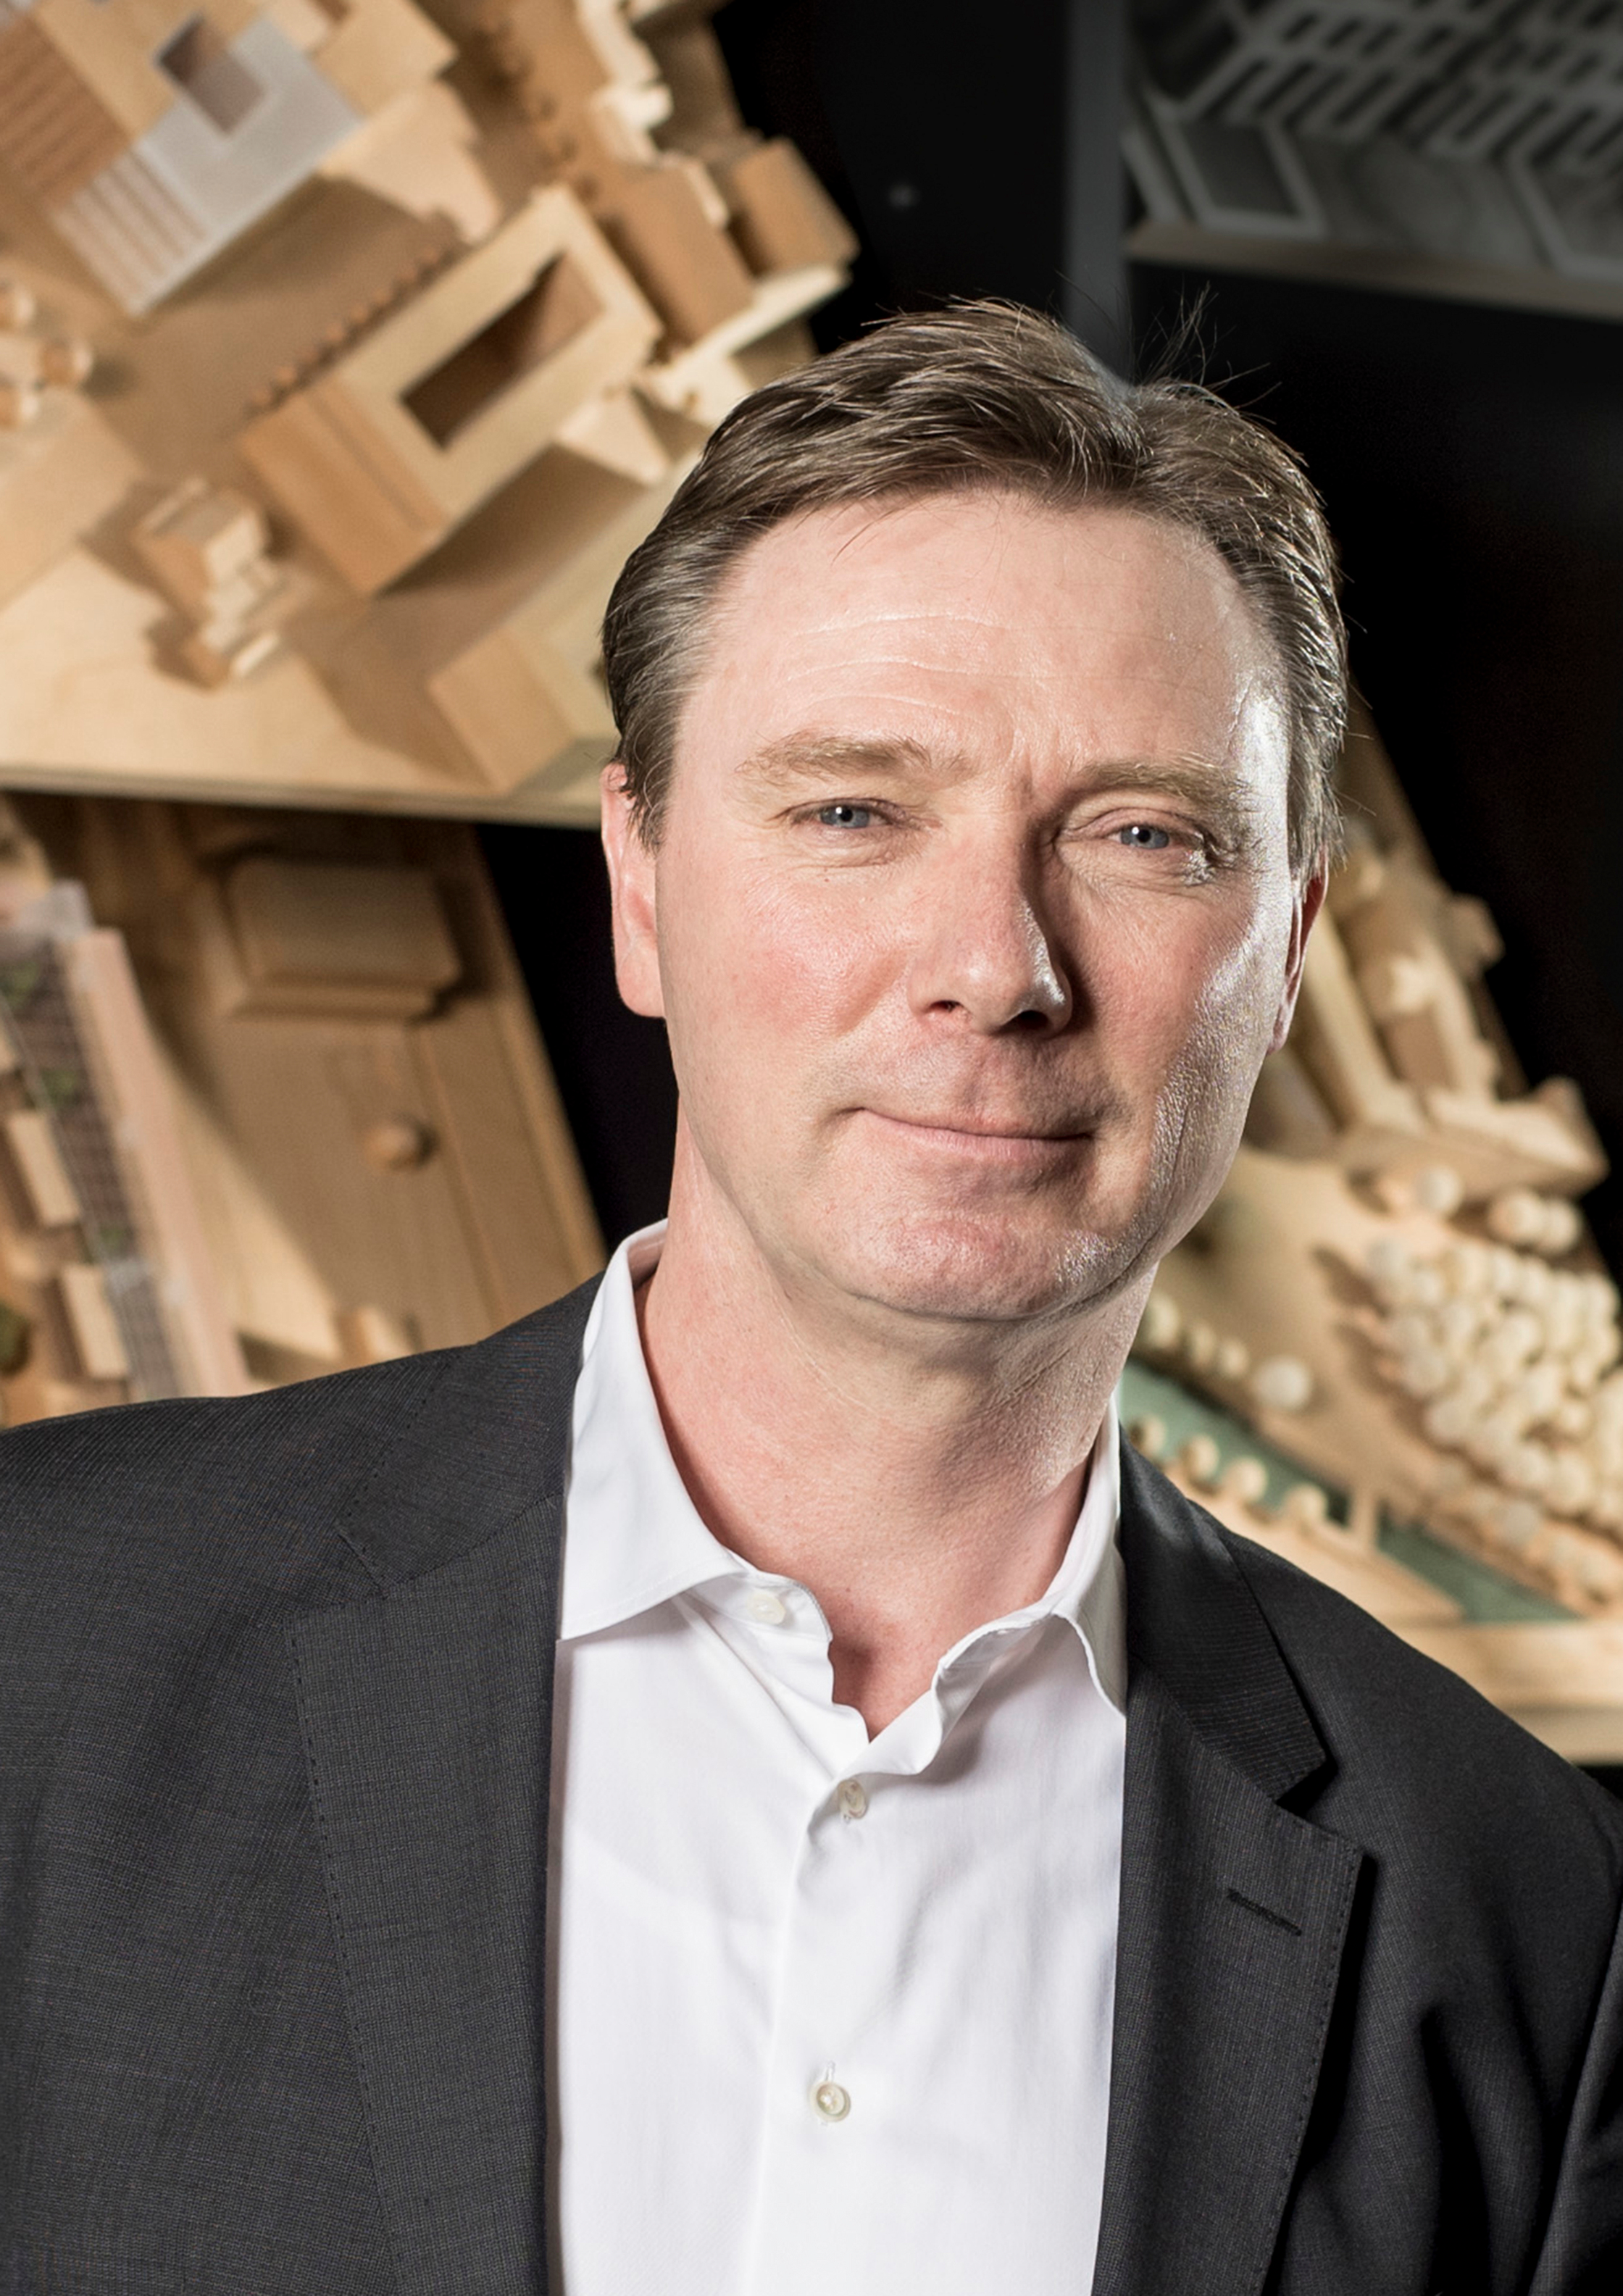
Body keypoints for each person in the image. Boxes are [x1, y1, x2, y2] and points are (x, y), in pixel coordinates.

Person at [1, 303, 1619, 2296]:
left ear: (1284, 954)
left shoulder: (1513, 1911)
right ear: (642, 884)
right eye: (854, 811)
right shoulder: (44, 1643)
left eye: (1143, 835)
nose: (993, 967)